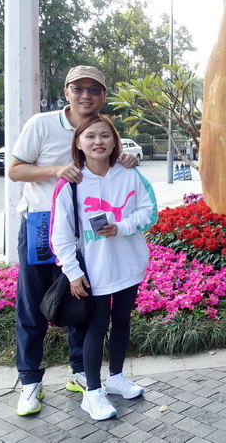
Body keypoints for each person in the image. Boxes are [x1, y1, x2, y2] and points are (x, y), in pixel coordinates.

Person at [8, 65, 137, 416]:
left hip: (85, 233)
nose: (86, 95)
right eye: (78, 88)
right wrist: (55, 170)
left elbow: (114, 170)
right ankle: (30, 381)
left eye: (94, 89)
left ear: (103, 96)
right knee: (33, 304)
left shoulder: (101, 129)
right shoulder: (42, 124)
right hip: (41, 225)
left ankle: (78, 371)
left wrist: (127, 157)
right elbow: (15, 170)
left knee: (82, 300)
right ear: (66, 92)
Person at [50, 115, 158, 421]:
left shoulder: (130, 174)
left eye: (105, 136)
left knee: (122, 321)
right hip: (95, 271)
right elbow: (59, 235)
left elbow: (150, 212)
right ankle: (93, 393)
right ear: (78, 143)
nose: (98, 141)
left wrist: (122, 227)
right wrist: (73, 273)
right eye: (90, 136)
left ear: (115, 142)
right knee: (96, 328)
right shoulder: (70, 184)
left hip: (128, 265)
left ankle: (116, 378)